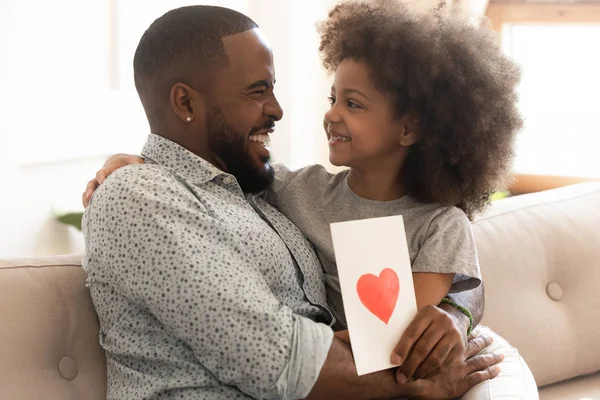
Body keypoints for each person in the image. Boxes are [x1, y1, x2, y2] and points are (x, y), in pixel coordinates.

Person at [82, 4, 510, 400]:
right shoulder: (140, 196)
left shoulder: (257, 191)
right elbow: (282, 360)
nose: (278, 109)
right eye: (257, 91)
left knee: (501, 368)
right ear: (186, 102)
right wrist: (421, 381)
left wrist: (456, 315)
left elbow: (447, 282)